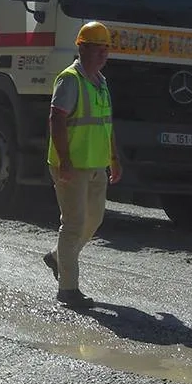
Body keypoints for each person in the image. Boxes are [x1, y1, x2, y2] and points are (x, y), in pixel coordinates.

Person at [42, 20, 122, 309]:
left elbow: (106, 124)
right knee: (74, 224)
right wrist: (64, 161)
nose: (102, 54)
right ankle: (68, 289)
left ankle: (56, 257)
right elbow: (57, 119)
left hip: (96, 165)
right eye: (96, 49)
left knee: (93, 220)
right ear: (82, 49)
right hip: (72, 166)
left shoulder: (101, 83)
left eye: (105, 49)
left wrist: (114, 158)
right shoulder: (70, 79)